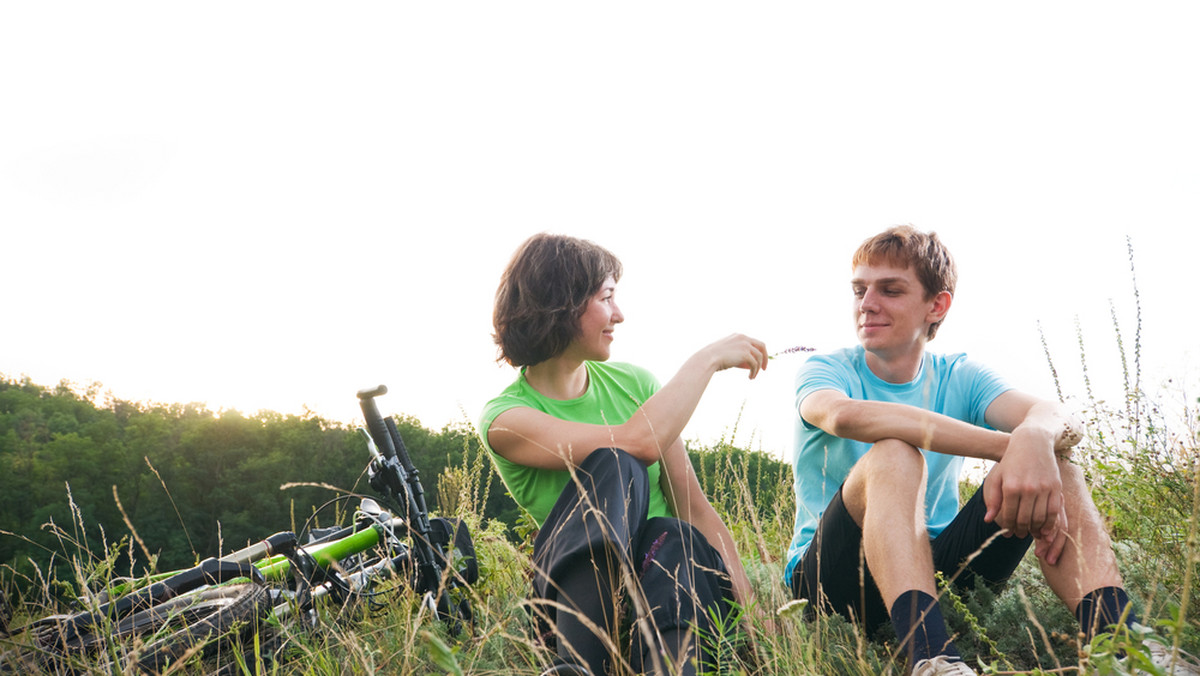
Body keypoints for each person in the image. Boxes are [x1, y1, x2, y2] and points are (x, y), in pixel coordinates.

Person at [784, 225, 1198, 675]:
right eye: (859, 290)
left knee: (1055, 459)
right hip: (830, 587)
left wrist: (1036, 440)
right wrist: (1013, 447)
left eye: (890, 290)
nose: (867, 304)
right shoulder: (825, 370)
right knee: (894, 454)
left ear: (936, 305)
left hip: (934, 572)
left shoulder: (960, 375)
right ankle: (932, 660)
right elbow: (845, 417)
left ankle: (1127, 649)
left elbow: (1060, 417)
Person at [480, 233, 767, 676]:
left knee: (674, 533)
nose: (619, 314)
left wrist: (758, 623)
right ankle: (578, 667)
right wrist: (707, 359)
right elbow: (636, 444)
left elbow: (695, 511)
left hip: (667, 587)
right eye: (606, 297)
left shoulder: (634, 385)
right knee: (616, 462)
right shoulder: (506, 418)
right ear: (562, 303)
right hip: (576, 608)